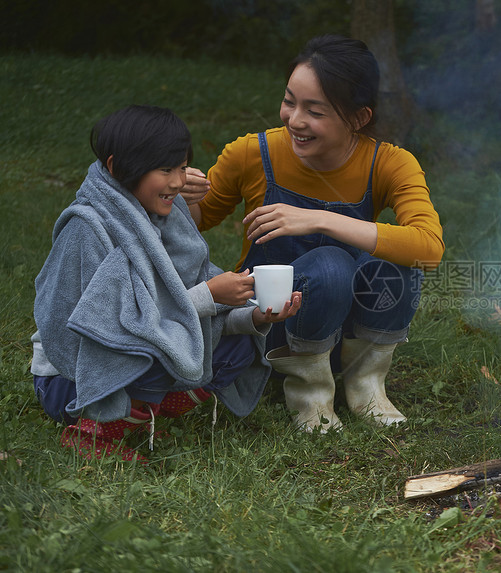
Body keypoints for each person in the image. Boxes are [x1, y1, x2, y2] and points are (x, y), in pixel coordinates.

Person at [181, 35, 444, 432]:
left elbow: (428, 247)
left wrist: (319, 219)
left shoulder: (389, 163)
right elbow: (193, 223)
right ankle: (310, 397)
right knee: (333, 263)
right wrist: (176, 197)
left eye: (315, 111)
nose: (295, 120)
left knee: (396, 264)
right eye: (290, 101)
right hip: (263, 333)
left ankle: (365, 387)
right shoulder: (252, 154)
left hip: (343, 344)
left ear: (358, 118)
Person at [31, 105, 302, 462]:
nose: (177, 183)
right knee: (159, 348)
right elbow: (107, 327)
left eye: (181, 168)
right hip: (74, 382)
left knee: (239, 346)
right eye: (165, 170)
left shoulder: (165, 218)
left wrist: (255, 319)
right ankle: (94, 431)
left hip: (124, 362)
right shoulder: (88, 228)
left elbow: (187, 308)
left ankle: (142, 412)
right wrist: (209, 295)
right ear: (117, 168)